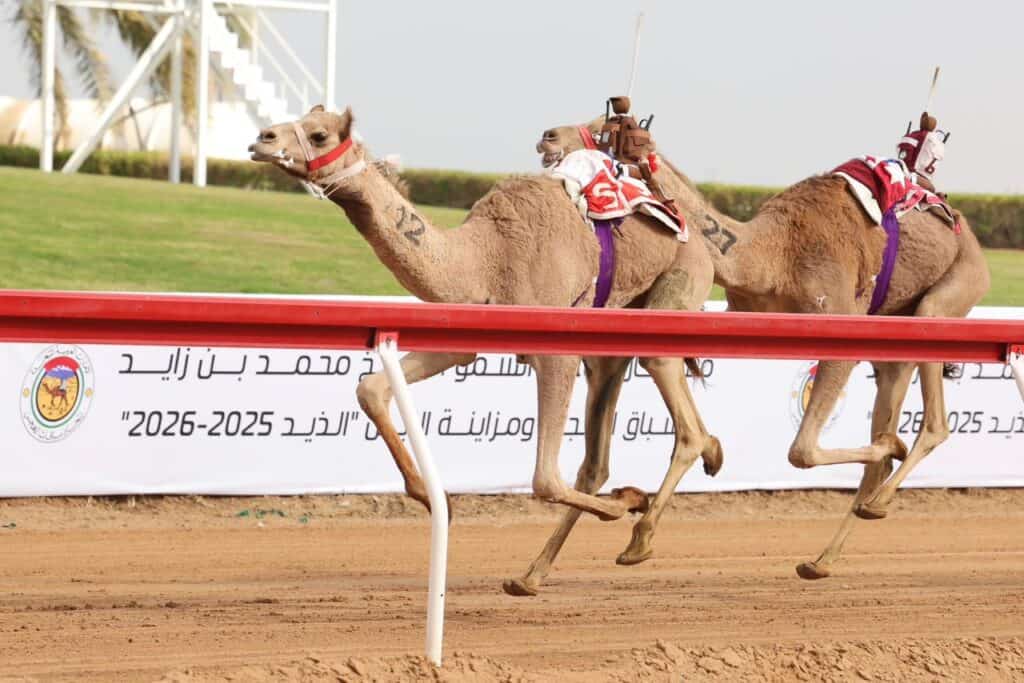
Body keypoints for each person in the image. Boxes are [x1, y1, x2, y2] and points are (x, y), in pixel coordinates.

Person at [896, 111, 949, 194]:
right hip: (919, 177)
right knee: (933, 190)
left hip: (900, 172)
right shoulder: (938, 143)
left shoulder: (910, 136)